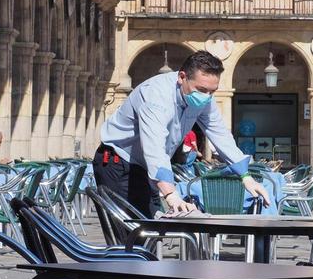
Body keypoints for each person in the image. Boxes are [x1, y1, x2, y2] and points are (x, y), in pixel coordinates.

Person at [95, 51, 270, 217]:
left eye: (212, 91)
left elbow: (220, 134)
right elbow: (154, 146)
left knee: (151, 232)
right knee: (131, 235)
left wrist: (245, 176)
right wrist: (171, 194)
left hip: (148, 169)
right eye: (201, 90)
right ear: (182, 77)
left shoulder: (204, 98)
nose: (207, 97)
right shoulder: (156, 96)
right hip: (118, 163)